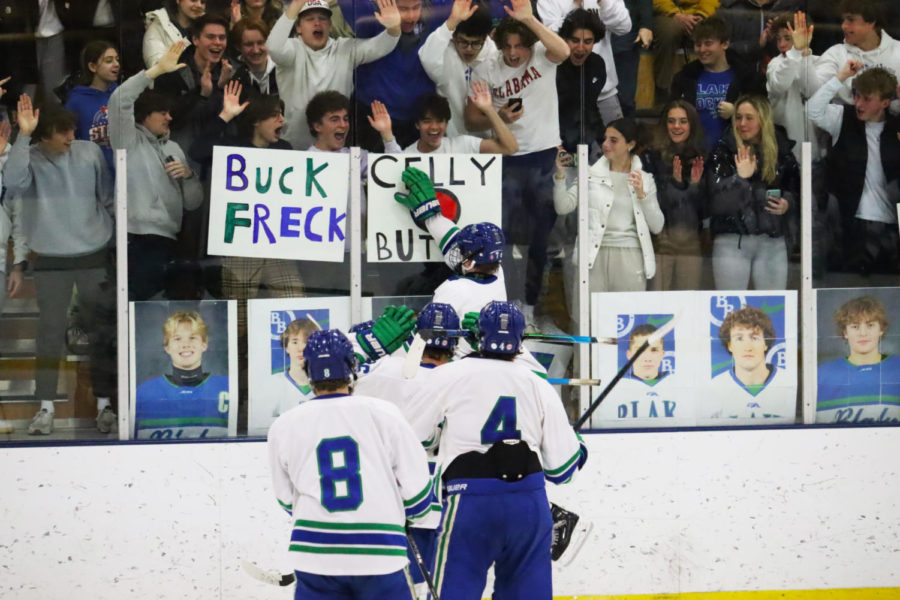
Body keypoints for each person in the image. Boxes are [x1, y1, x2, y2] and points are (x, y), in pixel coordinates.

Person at [406, 301, 588, 600]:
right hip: (528, 505)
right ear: (519, 343)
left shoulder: (450, 375)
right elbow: (562, 471)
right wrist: (578, 446)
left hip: (469, 502)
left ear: (477, 335)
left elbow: (415, 438)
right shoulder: (537, 383)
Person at [267, 328, 434, 600]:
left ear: (308, 371)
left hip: (314, 556)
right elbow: (417, 494)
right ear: (351, 368)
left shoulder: (284, 424)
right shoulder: (385, 413)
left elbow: (287, 500)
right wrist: (408, 515)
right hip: (381, 554)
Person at [3, 94, 117, 435]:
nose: (70, 137)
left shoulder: (90, 151)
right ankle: (46, 407)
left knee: (101, 332)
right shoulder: (30, 157)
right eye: (62, 133)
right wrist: (22, 136)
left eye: (72, 130)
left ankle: (105, 404)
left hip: (94, 251)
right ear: (44, 135)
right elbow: (13, 182)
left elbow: (107, 197)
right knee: (49, 334)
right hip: (51, 257)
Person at [465, 0, 570, 330]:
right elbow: (470, 121)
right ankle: (507, 304)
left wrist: (530, 19)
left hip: (542, 157)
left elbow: (564, 52)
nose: (513, 54)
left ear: (531, 44)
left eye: (520, 47)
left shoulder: (543, 55)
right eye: (507, 47)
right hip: (506, 159)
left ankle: (528, 306)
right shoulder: (488, 67)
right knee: (505, 240)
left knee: (539, 240)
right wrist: (499, 118)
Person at [353, 302, 457, 599]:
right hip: (433, 492)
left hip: (381, 487)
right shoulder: (458, 379)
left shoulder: (382, 369)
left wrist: (368, 344)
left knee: (382, 573)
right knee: (429, 577)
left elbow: (336, 384)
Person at [108, 41, 204, 301]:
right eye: (162, 112)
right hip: (136, 237)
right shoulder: (127, 140)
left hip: (169, 238)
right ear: (143, 116)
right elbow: (119, 100)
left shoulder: (174, 147)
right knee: (140, 305)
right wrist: (155, 72)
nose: (169, 118)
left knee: (167, 309)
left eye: (170, 113)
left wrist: (189, 176)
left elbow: (193, 203)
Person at [267, 0, 401, 150]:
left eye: (323, 18)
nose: (317, 23)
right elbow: (273, 47)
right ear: (298, 27)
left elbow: (381, 46)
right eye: (310, 19)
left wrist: (394, 28)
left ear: (330, 25)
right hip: (293, 146)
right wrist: (297, 3)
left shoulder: (344, 48)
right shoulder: (291, 49)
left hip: (335, 147)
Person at [807, 61, 900, 276]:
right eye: (857, 95)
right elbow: (813, 110)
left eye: (867, 99)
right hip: (849, 223)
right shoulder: (843, 118)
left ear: (885, 102)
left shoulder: (896, 127)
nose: (859, 103)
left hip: (890, 226)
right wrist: (841, 76)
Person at [553, 118, 664, 293]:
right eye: (605, 139)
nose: (605, 144)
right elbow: (563, 207)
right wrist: (560, 176)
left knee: (625, 315)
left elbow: (657, 226)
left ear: (630, 144)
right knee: (590, 317)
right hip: (593, 254)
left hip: (630, 255)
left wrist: (642, 195)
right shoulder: (589, 174)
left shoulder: (645, 179)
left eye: (613, 140)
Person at [706, 94, 798, 290]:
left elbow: (798, 190)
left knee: (772, 307)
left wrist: (787, 203)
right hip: (732, 239)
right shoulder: (722, 150)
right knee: (731, 308)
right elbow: (716, 202)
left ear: (763, 121)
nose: (742, 123)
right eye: (738, 117)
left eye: (749, 118)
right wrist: (741, 179)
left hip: (772, 240)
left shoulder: (782, 150)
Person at [339, 0, 435, 150]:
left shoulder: (437, 14)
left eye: (416, 7)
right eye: (402, 9)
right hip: (370, 121)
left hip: (418, 123)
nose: (410, 17)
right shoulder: (371, 18)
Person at [670, 15, 766, 151]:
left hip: (736, 154)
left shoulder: (747, 78)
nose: (702, 49)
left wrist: (736, 113)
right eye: (698, 44)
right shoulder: (685, 77)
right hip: (694, 154)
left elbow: (764, 115)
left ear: (725, 44)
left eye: (708, 43)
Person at [641, 99, 707, 290]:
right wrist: (675, 185)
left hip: (691, 240)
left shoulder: (703, 157)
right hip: (661, 240)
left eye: (683, 121)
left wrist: (693, 186)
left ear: (692, 125)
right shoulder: (651, 157)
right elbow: (650, 202)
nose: (676, 126)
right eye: (671, 121)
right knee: (659, 302)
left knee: (688, 301)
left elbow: (707, 208)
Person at [134, 310, 231, 439]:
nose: (185, 344)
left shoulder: (227, 388)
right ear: (167, 347)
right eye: (177, 339)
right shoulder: (144, 392)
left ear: (204, 344)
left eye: (192, 337)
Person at [537, 0, 633, 125]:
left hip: (604, 93)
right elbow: (549, 37)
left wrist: (603, 2)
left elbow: (624, 27)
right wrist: (575, 7)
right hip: (562, 95)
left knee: (612, 142)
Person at [153, 13, 234, 152]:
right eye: (210, 37)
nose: (217, 42)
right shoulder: (171, 72)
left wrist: (221, 88)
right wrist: (201, 94)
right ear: (195, 39)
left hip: (219, 156)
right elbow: (169, 119)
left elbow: (234, 124)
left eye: (222, 37)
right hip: (181, 156)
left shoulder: (233, 72)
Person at [418, 0, 498, 138]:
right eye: (463, 42)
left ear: (485, 37)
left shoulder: (494, 56)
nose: (469, 49)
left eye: (475, 43)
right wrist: (452, 21)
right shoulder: (443, 53)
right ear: (454, 36)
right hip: (453, 141)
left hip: (487, 142)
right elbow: (427, 57)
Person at [817, 296, 900, 424]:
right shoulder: (822, 375)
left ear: (881, 330)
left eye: (870, 325)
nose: (863, 333)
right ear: (845, 332)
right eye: (855, 326)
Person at [704, 305, 794, 421]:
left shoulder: (788, 382)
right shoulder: (715, 388)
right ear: (730, 345)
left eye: (754, 338)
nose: (748, 347)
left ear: (765, 343)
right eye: (739, 339)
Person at [810, 0, 900, 112]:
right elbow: (811, 92)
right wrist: (800, 54)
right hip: (846, 125)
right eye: (843, 20)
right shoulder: (836, 54)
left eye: (851, 20)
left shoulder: (898, 52)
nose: (844, 26)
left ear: (871, 22)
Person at [597, 323, 684, 423]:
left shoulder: (676, 383)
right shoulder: (615, 386)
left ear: (662, 354)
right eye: (640, 350)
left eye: (654, 350)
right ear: (629, 355)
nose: (647, 358)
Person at [765, 11, 821, 162]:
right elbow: (778, 86)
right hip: (782, 152)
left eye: (788, 38)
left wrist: (802, 54)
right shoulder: (774, 64)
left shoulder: (819, 61)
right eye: (778, 39)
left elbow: (812, 91)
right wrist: (796, 52)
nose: (782, 44)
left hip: (814, 152)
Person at [249, 316, 318, 435]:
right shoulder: (273, 384)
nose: (301, 348)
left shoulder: (325, 384)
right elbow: (258, 427)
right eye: (295, 342)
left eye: (306, 342)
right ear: (286, 347)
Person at [403, 85, 518, 155]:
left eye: (439, 121)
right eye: (427, 121)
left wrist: (489, 110)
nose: (434, 127)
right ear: (417, 124)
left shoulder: (462, 145)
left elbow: (511, 148)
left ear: (447, 123)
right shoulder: (407, 156)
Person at [555, 8, 607, 153]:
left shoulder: (597, 64)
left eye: (588, 42)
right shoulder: (553, 65)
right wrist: (555, 146)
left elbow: (590, 107)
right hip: (550, 141)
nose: (580, 48)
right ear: (565, 39)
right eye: (575, 40)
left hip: (582, 140)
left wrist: (604, 142)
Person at [64, 40, 120, 168]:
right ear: (92, 67)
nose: (116, 64)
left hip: (124, 170)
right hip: (92, 171)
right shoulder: (76, 101)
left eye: (117, 59)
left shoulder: (121, 94)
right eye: (109, 61)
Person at [650, 0, 719, 99]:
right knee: (668, 31)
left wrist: (702, 14)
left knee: (713, 29)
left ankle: (715, 88)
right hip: (666, 13)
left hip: (698, 12)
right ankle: (663, 90)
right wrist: (676, 14)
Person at [613, 0, 653, 117]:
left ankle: (627, 131)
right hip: (588, 23)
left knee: (624, 99)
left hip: (625, 23)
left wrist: (646, 25)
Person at [143, 0, 207, 68]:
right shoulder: (158, 27)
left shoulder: (209, 26)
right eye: (193, 0)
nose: (199, 5)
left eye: (203, 2)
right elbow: (156, 68)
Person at [230, 18, 278, 98]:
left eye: (260, 43)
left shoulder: (284, 70)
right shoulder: (235, 77)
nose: (256, 50)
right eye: (249, 44)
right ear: (238, 47)